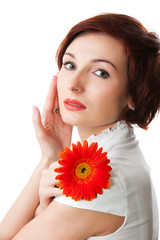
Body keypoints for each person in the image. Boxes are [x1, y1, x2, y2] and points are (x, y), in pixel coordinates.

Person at [0, 13, 159, 240]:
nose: (74, 84)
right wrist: (50, 156)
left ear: (133, 94)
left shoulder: (101, 179)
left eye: (101, 72)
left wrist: (44, 211)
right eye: (70, 64)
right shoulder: (119, 154)